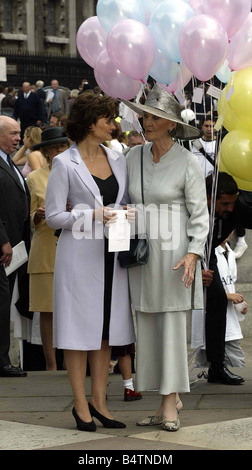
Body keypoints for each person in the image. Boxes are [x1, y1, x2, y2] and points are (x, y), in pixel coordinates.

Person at [45, 90, 135, 432]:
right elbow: (53, 216)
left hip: (111, 255)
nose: (113, 125)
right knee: (77, 331)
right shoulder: (63, 163)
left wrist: (127, 212)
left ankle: (100, 401)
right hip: (79, 258)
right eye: (107, 119)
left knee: (105, 332)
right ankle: (80, 405)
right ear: (89, 123)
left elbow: (121, 200)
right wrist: (91, 215)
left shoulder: (118, 158)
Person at [121, 83, 209, 432]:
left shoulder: (189, 162)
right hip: (141, 253)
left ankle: (170, 405)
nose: (147, 121)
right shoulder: (132, 157)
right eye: (144, 115)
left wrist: (192, 253)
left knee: (171, 327)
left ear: (171, 124)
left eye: (155, 117)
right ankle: (164, 400)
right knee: (148, 327)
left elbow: (201, 216)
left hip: (175, 256)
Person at [26, 127, 69, 371]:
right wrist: (37, 216)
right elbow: (27, 217)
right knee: (47, 311)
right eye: (54, 147)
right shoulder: (34, 178)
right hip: (44, 250)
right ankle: (51, 365)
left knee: (72, 310)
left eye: (63, 146)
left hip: (72, 247)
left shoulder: (77, 172)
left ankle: (73, 363)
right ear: (46, 151)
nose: (59, 150)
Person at [203, 172, 252, 385]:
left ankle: (216, 367)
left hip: (209, 254)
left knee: (218, 299)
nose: (229, 208)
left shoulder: (237, 208)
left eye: (232, 203)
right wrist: (196, 269)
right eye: (224, 203)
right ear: (208, 197)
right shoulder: (190, 207)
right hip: (182, 255)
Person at [0, 116, 30, 377]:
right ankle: (2, 362)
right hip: (3, 248)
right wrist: (3, 240)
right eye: (12, 133)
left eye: (19, 133)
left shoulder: (10, 162)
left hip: (14, 247)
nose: (18, 138)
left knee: (5, 302)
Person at [195, 232, 247, 369]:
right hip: (212, 316)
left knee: (205, 360)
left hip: (229, 318)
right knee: (234, 361)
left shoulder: (229, 252)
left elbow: (230, 283)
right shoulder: (209, 253)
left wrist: (238, 301)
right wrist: (228, 296)